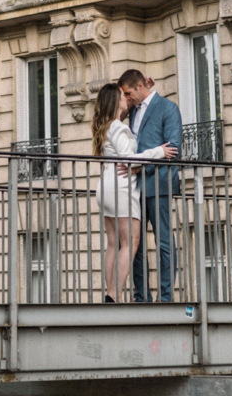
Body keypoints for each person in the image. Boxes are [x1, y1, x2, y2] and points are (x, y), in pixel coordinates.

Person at [91, 82, 177, 303]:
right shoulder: (118, 127)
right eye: (122, 95)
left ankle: (110, 293)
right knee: (131, 242)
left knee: (113, 243)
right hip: (121, 187)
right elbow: (128, 158)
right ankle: (114, 294)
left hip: (105, 187)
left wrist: (145, 87)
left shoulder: (105, 125)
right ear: (114, 101)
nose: (126, 98)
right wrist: (159, 151)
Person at [118, 67, 182, 302]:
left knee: (163, 241)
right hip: (134, 188)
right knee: (136, 243)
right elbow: (115, 121)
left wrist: (137, 167)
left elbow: (173, 150)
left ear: (140, 87)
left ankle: (165, 298)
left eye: (127, 93)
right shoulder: (133, 109)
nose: (126, 98)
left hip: (160, 184)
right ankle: (141, 296)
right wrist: (126, 105)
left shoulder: (168, 108)